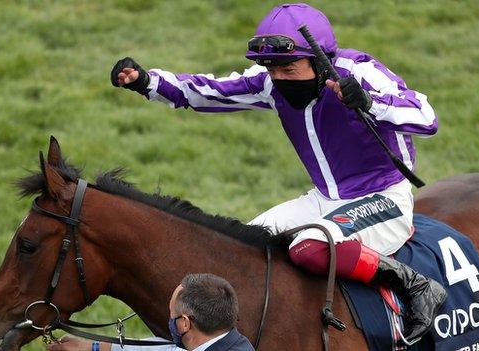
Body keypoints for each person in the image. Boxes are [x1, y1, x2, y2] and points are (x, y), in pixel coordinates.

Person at [110, 3, 445, 344]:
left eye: (289, 69)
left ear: (318, 59)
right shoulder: (271, 84)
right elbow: (209, 90)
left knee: (309, 247)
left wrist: (372, 103)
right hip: (325, 200)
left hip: (384, 196)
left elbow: (426, 117)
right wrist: (148, 82)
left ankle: (415, 284)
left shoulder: (358, 71)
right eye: (272, 69)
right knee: (245, 249)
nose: (279, 79)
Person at [47, 273, 254, 351]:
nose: (169, 320)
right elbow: (160, 349)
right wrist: (91, 347)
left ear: (184, 324)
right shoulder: (230, 342)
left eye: (171, 313)